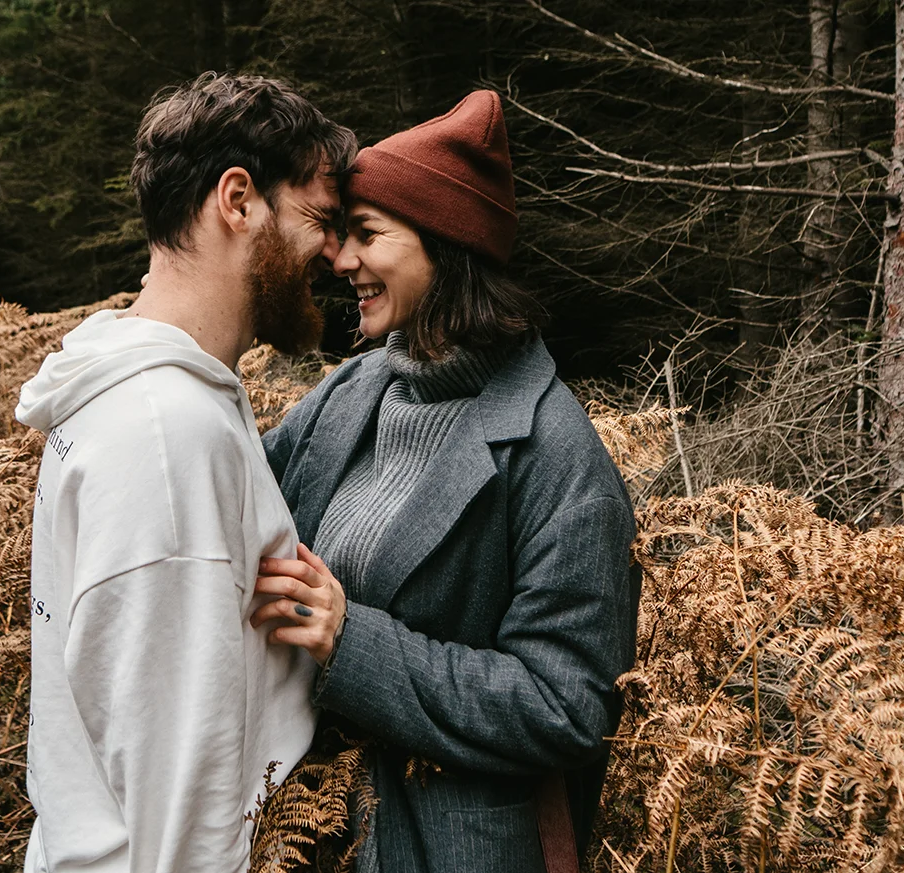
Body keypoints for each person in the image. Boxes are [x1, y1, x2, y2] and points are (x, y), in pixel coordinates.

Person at [251, 90, 640, 872]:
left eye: (367, 235)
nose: (340, 259)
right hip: (312, 833)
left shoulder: (556, 453)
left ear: (447, 244)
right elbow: (239, 499)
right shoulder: (353, 390)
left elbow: (567, 705)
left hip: (454, 850)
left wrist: (349, 640)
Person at [14, 73, 356, 873]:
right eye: (320, 220)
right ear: (238, 200)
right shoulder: (166, 434)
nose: (337, 256)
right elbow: (183, 785)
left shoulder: (154, 396)